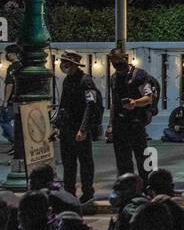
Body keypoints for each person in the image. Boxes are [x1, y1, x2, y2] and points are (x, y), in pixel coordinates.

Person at [54, 52, 101, 204]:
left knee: (85, 162)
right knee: (68, 163)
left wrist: (84, 128)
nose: (63, 65)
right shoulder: (67, 81)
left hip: (79, 128)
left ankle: (88, 192)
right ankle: (69, 193)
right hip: (67, 129)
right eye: (62, 62)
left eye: (66, 63)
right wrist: (57, 125)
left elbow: (91, 105)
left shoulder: (86, 81)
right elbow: (63, 105)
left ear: (74, 65)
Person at [107, 48, 156, 183]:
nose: (116, 65)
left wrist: (134, 103)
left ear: (126, 58)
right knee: (122, 160)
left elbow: (148, 98)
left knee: (142, 157)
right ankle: (127, 186)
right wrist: (110, 125)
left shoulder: (139, 75)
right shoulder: (114, 78)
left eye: (119, 61)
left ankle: (147, 186)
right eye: (113, 62)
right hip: (119, 124)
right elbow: (114, 104)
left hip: (135, 122)